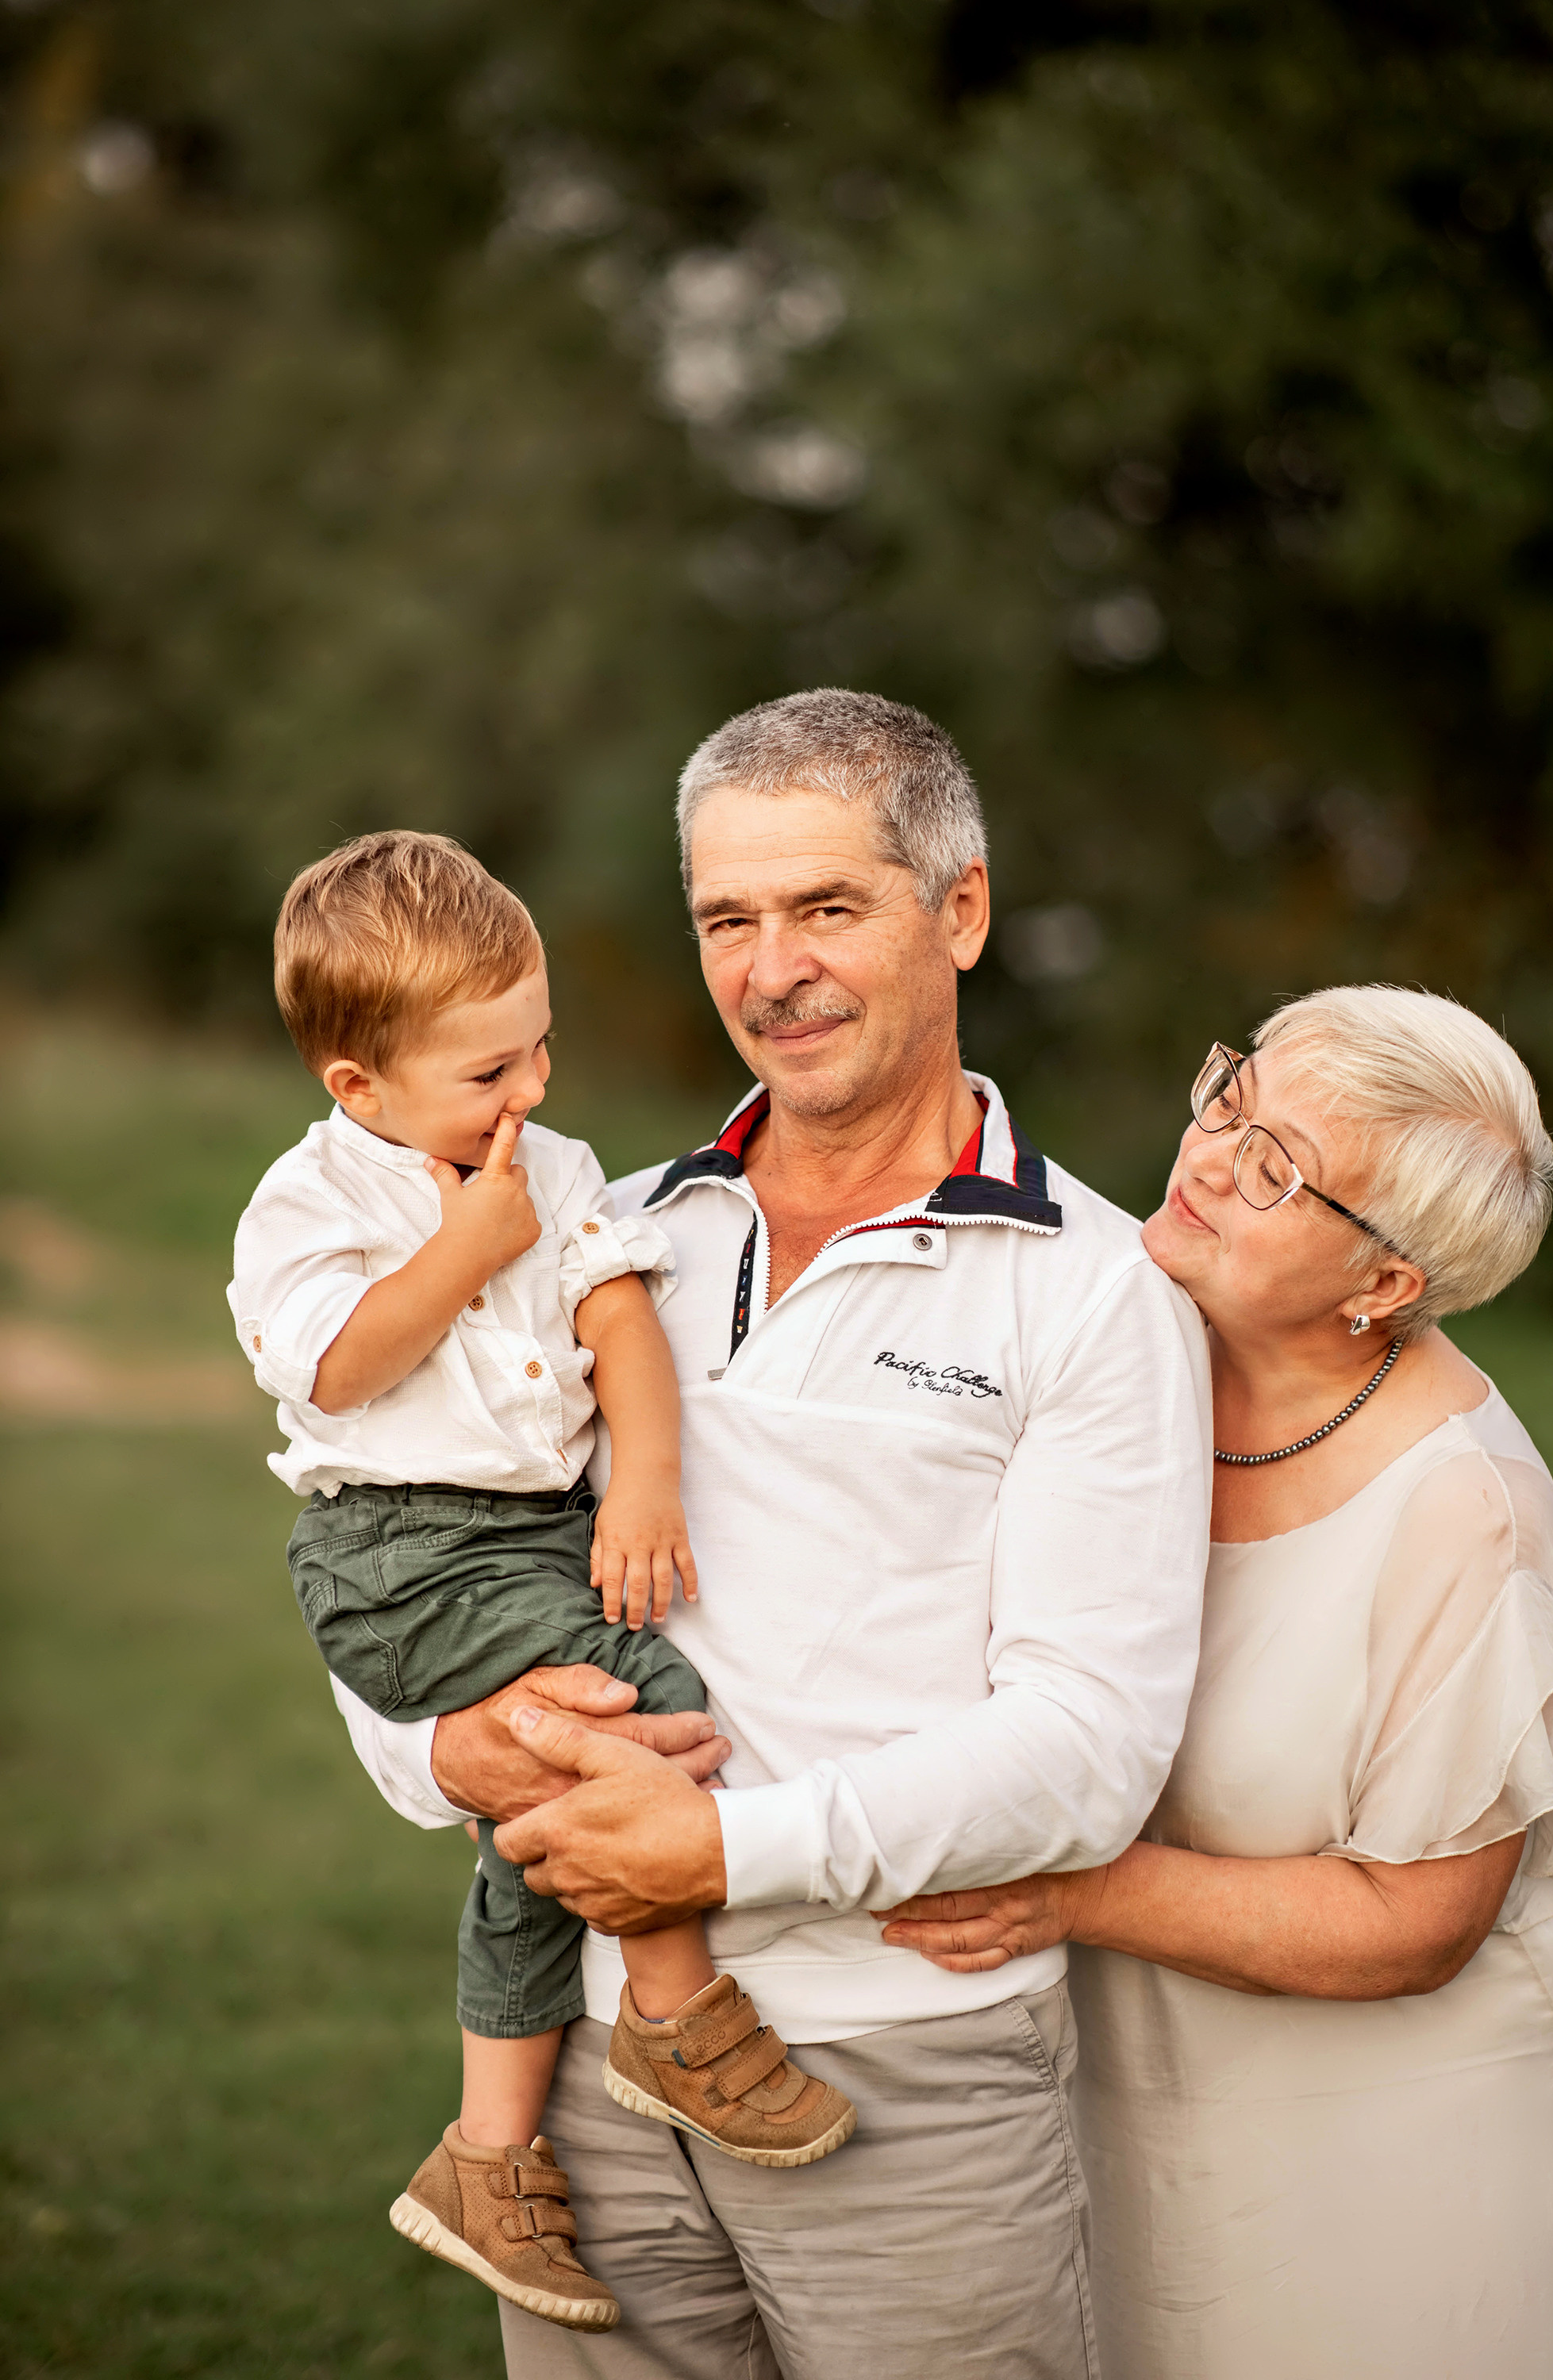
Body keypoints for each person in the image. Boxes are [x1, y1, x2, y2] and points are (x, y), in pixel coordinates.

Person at [333, 689, 1214, 2380]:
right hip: (575, 2061)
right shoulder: (612, 1235)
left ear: (957, 910)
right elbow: (403, 1543)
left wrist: (727, 1859)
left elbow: (1088, 1742)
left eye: (825, 908)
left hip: (908, 2077)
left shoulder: (1092, 1290)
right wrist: (445, 1748)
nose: (770, 969)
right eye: (727, 920)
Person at [881, 984, 1553, 2380]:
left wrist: (1073, 1889)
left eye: (1279, 1169)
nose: (1207, 1156)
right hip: (1118, 2109)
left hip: (1390, 2175)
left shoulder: (1463, 1515)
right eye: (1232, 1097)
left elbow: (1419, 1923)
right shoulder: (1118, 1341)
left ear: (1385, 1286)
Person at [229, 831, 854, 2339]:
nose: (532, 1095)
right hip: (397, 1553)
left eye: (539, 1049)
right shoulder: (311, 1205)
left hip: (530, 1536)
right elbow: (336, 1367)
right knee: (644, 1712)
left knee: (542, 1818)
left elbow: (619, 1318)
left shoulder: (552, 1168)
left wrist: (642, 1479)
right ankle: (673, 2016)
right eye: (488, 1075)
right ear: (357, 1088)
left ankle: (489, 2152)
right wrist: (463, 1248)